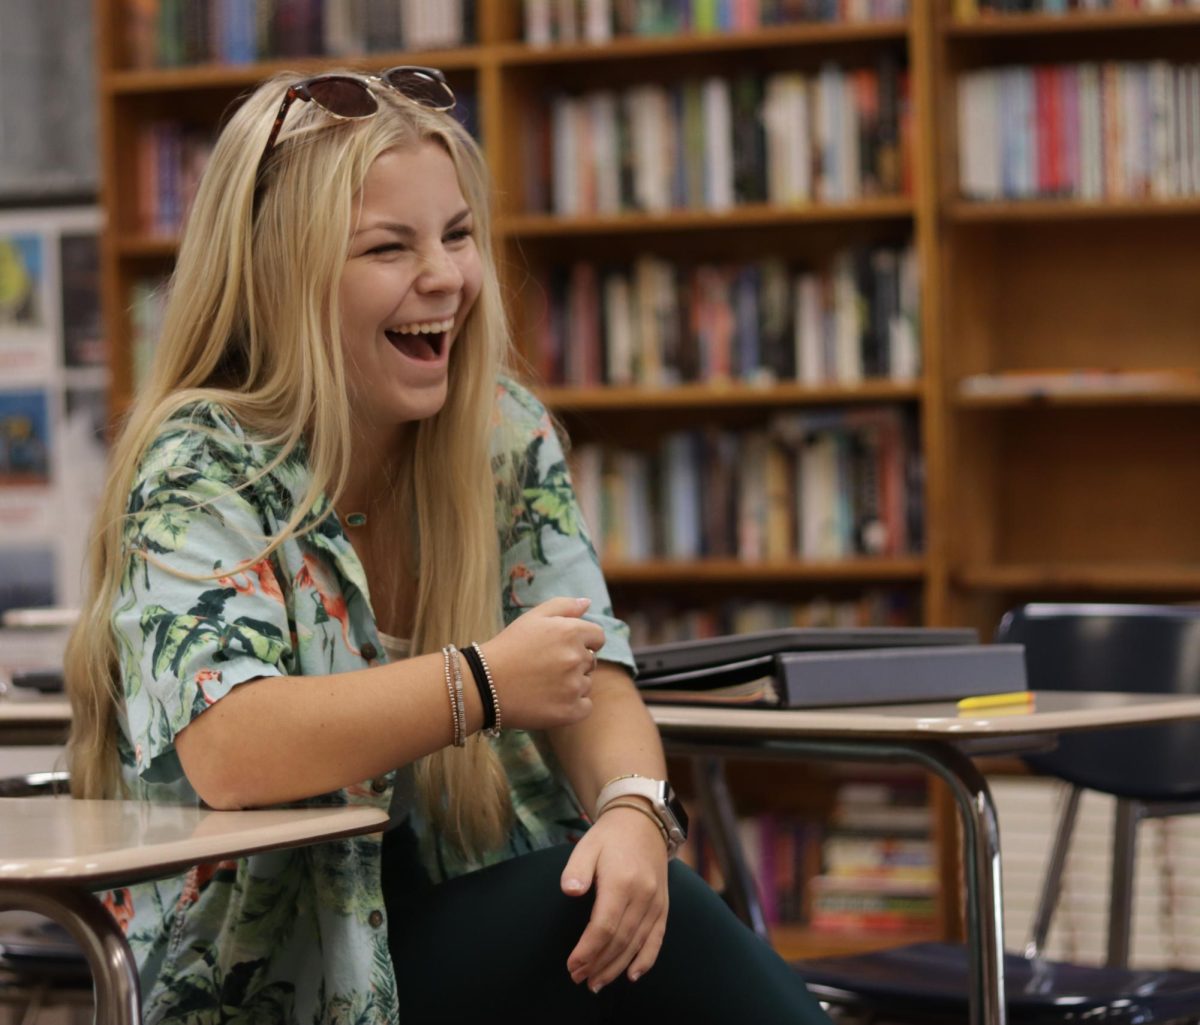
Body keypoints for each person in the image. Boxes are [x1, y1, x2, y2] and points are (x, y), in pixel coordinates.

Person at [64, 66, 833, 1025]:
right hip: (262, 975)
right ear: (280, 276)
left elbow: (592, 666)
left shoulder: (501, 432)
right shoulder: (199, 462)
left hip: (461, 920)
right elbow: (233, 747)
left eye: (459, 234)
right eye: (391, 247)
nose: (447, 277)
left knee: (636, 905)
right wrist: (482, 682)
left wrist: (636, 811)